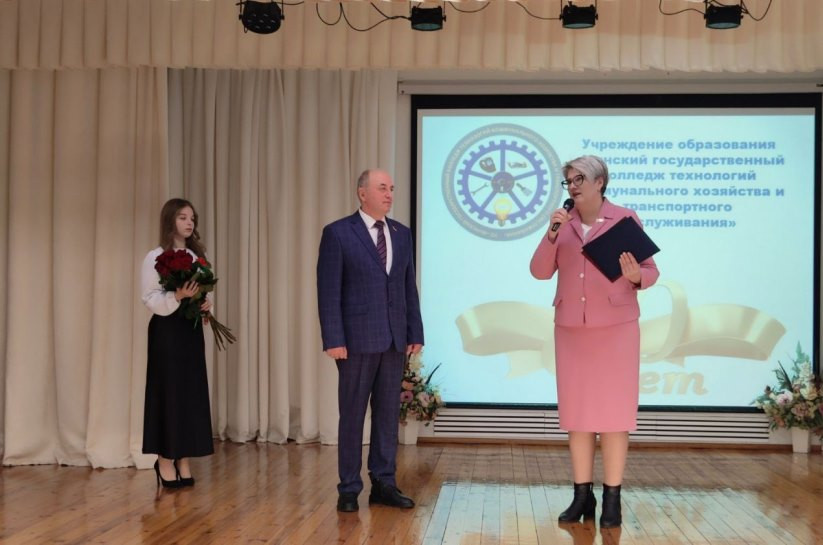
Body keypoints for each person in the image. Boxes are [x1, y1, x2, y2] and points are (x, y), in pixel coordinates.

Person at [529, 155, 659, 528]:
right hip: (572, 330)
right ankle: (581, 496)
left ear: (600, 182)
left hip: (617, 330)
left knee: (615, 416)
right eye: (568, 181)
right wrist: (551, 233)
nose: (573, 186)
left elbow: (651, 271)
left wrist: (635, 277)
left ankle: (612, 498)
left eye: (579, 179)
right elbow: (539, 271)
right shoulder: (563, 224)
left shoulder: (624, 218)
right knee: (578, 416)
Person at [317, 169, 425, 513]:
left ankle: (384, 483)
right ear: (362, 193)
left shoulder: (401, 233)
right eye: (382, 188)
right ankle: (349, 488)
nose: (389, 194)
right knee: (352, 415)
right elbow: (328, 290)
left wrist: (415, 331)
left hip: (394, 339)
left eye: (391, 188)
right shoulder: (338, 233)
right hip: (355, 341)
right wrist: (333, 338)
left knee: (387, 415)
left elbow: (408, 286)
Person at [141, 198, 215, 488]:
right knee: (169, 391)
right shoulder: (155, 256)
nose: (189, 223)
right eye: (183, 217)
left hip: (190, 330)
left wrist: (205, 304)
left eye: (192, 218)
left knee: (189, 393)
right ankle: (164, 458)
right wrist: (178, 296)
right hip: (167, 331)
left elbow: (203, 289)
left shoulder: (197, 257)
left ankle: (184, 456)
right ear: (170, 219)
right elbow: (149, 298)